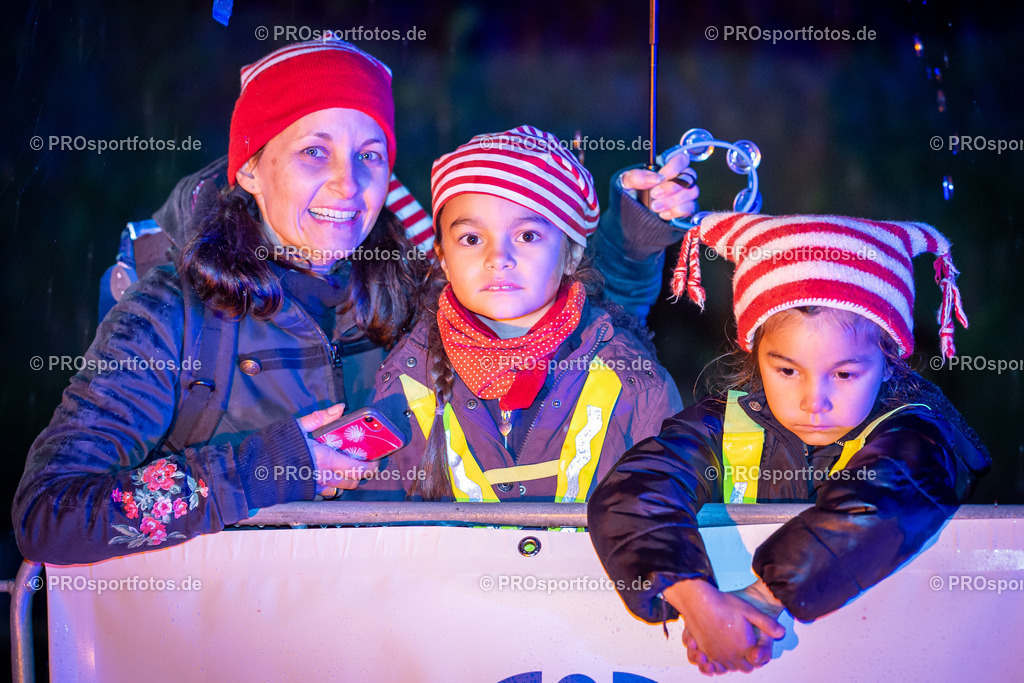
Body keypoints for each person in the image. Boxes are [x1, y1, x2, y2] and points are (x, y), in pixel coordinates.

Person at [13, 40, 427, 564]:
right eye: (314, 151)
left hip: (390, 636)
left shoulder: (422, 303)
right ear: (250, 169)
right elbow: (51, 513)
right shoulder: (173, 316)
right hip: (223, 639)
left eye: (370, 155)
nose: (349, 184)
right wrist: (265, 468)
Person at [587, 213, 991, 674]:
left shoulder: (915, 437)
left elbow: (884, 503)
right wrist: (696, 601)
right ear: (754, 353)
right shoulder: (719, 427)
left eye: (844, 374)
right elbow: (634, 493)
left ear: (889, 360)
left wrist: (763, 598)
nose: (812, 401)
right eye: (786, 370)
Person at [360, 126, 684, 502]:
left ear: (572, 254)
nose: (498, 259)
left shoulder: (636, 384)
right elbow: (375, 535)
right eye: (471, 239)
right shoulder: (403, 383)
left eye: (527, 235)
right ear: (443, 258)